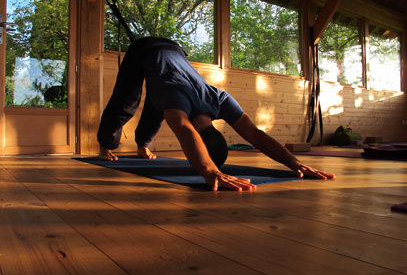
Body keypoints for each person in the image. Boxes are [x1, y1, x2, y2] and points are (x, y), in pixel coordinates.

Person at [97, 37, 336, 191]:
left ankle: (142, 146)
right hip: (143, 49)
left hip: (174, 49)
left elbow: (255, 135)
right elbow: (185, 130)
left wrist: (295, 163)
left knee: (157, 104)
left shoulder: (220, 99)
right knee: (126, 102)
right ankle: (106, 145)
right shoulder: (185, 106)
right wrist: (210, 171)